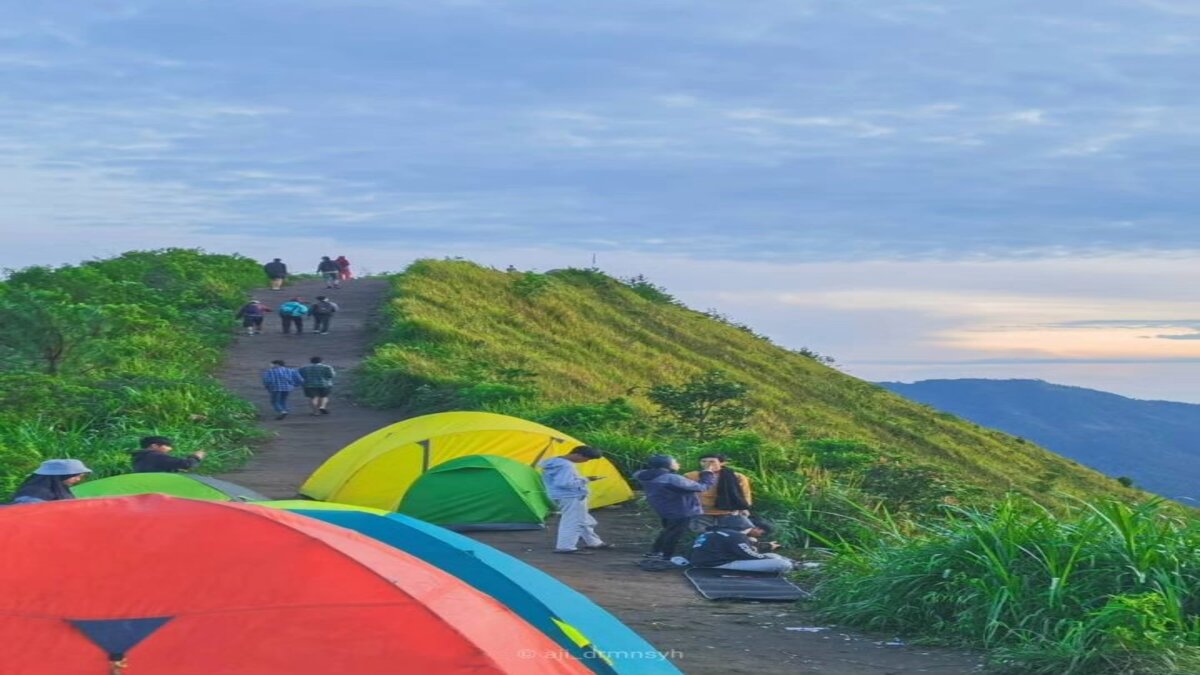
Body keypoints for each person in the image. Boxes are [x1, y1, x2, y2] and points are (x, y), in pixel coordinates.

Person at [634, 455, 717, 560]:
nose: (678, 464)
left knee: (667, 530)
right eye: (675, 462)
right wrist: (707, 473)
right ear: (666, 465)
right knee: (674, 534)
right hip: (680, 509)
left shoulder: (643, 475)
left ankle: (655, 552)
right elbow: (701, 487)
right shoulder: (671, 478)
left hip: (663, 508)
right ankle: (666, 556)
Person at [540, 446, 611, 554]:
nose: (586, 461)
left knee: (583, 520)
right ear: (578, 455)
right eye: (587, 458)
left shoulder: (554, 462)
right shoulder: (566, 466)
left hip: (561, 495)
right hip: (571, 496)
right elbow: (565, 483)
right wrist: (586, 479)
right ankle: (566, 547)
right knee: (572, 522)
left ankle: (594, 542)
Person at [689, 515, 794, 573]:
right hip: (716, 565)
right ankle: (794, 565)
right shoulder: (736, 535)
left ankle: (794, 563)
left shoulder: (712, 532)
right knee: (782, 564)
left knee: (773, 556)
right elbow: (749, 555)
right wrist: (768, 557)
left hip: (705, 562)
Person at [684, 453, 753, 532]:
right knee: (703, 534)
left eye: (712, 461)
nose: (707, 464)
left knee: (729, 533)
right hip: (702, 511)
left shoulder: (737, 476)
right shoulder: (691, 476)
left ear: (722, 463)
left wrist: (744, 508)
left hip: (728, 511)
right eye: (704, 461)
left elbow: (745, 493)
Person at [9, 459, 92, 504]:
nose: (78, 479)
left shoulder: (60, 489)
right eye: (76, 476)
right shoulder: (32, 495)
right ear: (62, 476)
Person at [131, 436, 206, 473]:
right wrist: (196, 456)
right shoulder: (156, 456)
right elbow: (187, 464)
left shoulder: (140, 457)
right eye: (167, 446)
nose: (170, 449)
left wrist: (175, 469)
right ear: (154, 446)